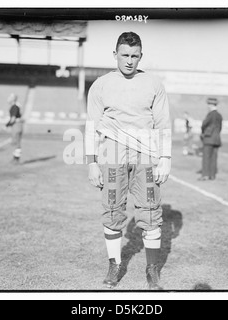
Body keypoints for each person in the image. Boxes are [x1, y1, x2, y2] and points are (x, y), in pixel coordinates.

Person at [85, 32, 172, 290]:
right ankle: (115, 264)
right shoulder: (100, 85)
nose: (129, 61)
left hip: (146, 152)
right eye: (125, 55)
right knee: (112, 209)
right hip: (112, 151)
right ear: (115, 55)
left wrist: (165, 157)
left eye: (135, 56)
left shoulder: (154, 84)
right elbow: (91, 125)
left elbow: (163, 123)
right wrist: (91, 162)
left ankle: (152, 269)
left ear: (141, 56)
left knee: (149, 211)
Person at [199, 98, 223, 181]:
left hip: (209, 138)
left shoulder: (210, 114)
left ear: (211, 105)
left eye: (209, 104)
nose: (208, 106)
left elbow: (204, 124)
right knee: (213, 158)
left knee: (206, 157)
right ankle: (212, 175)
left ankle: (205, 175)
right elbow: (220, 128)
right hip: (216, 139)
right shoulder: (219, 115)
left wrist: (203, 133)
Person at [5, 93, 24, 163]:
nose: (8, 98)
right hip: (17, 125)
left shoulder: (14, 107)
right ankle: (15, 158)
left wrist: (6, 125)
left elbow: (13, 119)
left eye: (10, 97)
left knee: (16, 142)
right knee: (15, 142)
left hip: (17, 126)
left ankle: (16, 159)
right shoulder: (16, 106)